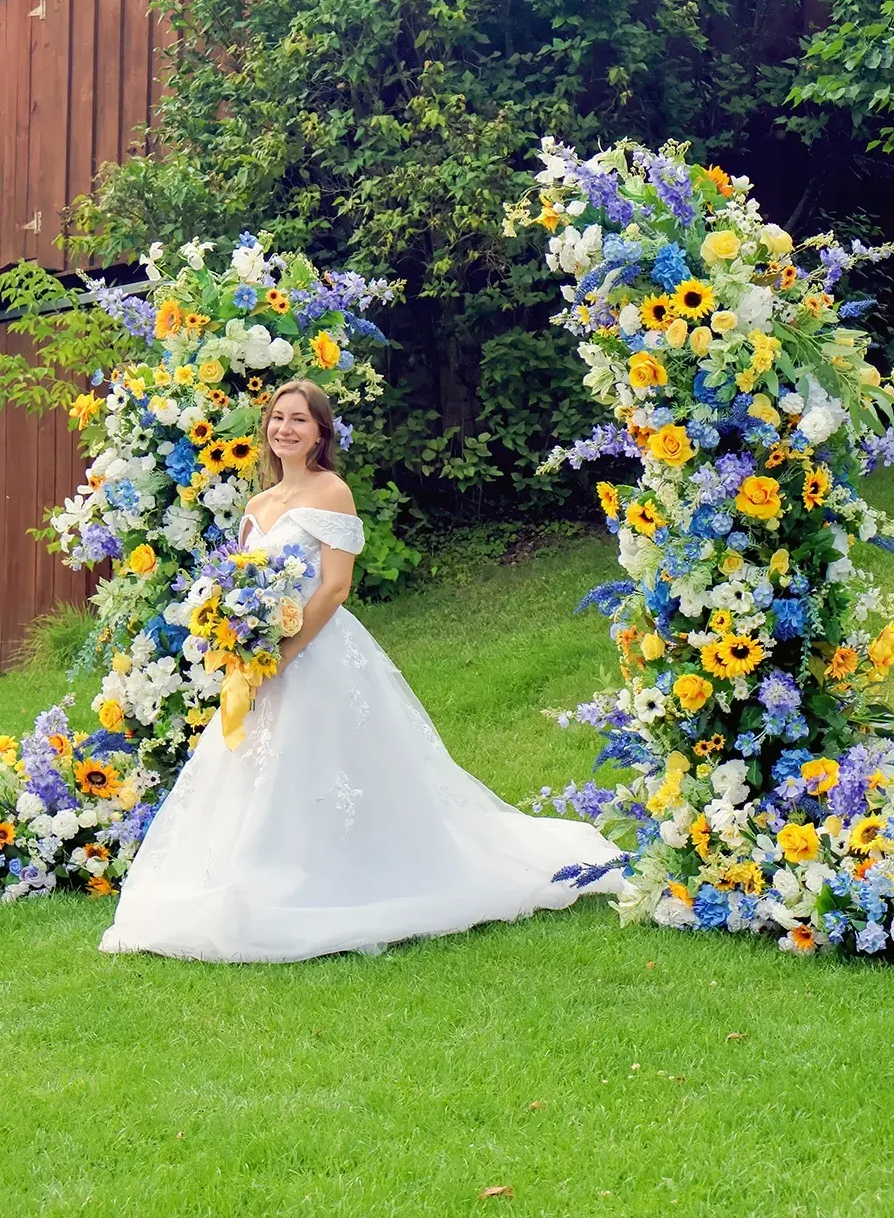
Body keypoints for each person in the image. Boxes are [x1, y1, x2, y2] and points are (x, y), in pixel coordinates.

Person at [100, 379, 621, 961]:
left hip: (317, 653)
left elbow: (336, 585)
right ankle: (247, 877)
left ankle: (347, 876)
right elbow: (241, 583)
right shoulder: (254, 509)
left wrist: (285, 653)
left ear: (320, 433)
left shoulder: (332, 492)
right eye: (277, 418)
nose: (285, 429)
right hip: (256, 663)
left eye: (300, 420)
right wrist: (240, 644)